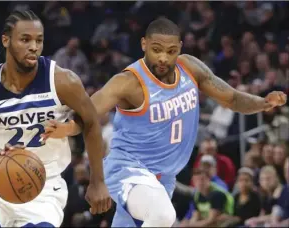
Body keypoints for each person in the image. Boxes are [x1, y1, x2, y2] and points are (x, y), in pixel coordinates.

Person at [42, 17, 287, 227]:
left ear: (180, 48)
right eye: (156, 49)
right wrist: (68, 128)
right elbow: (90, 110)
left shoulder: (190, 68)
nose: (163, 58)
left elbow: (232, 98)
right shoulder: (130, 81)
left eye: (171, 51)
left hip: (164, 178)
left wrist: (263, 102)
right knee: (163, 215)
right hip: (129, 169)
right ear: (144, 45)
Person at [0, 10, 111, 227]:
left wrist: (98, 181)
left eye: (39, 40)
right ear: (6, 40)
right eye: (25, 39)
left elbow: (91, 123)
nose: (34, 47)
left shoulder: (63, 81)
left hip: (43, 187)